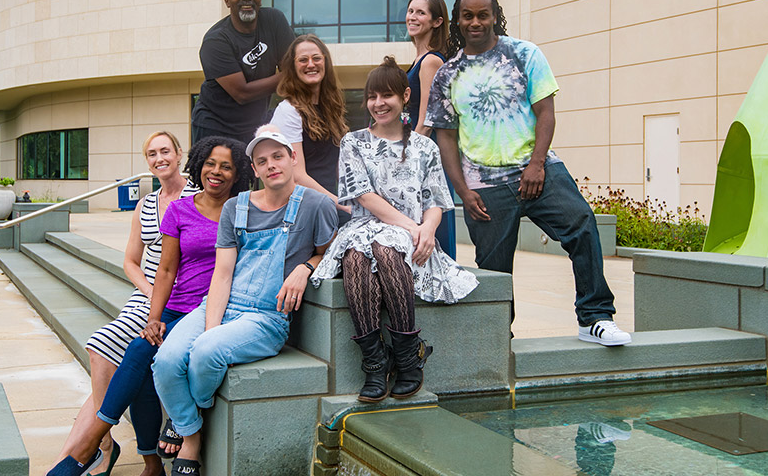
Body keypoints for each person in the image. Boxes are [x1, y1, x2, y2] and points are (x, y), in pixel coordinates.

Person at [425, 0, 631, 346]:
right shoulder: (448, 74)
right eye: (468, 16)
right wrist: (462, 191)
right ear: (458, 20)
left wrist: (537, 165)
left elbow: (546, 112)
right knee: (494, 270)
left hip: (540, 172)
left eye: (482, 15)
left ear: (495, 16)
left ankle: (594, 318)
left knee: (582, 226)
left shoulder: (524, 53)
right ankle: (497, 338)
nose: (475, 22)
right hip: (484, 186)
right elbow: (445, 137)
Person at [48, 137, 253, 476]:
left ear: (237, 173)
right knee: (141, 358)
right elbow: (166, 269)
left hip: (209, 311)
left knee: (141, 355)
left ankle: (92, 445)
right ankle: (148, 460)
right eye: (210, 163)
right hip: (174, 308)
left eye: (226, 166)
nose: (216, 171)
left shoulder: (241, 209)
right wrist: (154, 317)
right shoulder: (180, 210)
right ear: (199, 164)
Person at [151, 126, 337, 475]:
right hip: (220, 304)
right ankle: (192, 425)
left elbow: (331, 252)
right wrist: (210, 327)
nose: (271, 166)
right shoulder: (236, 207)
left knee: (206, 353)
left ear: (293, 158)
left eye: (278, 156)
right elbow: (222, 274)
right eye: (261, 161)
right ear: (254, 169)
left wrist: (306, 266)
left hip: (266, 318)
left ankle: (188, 436)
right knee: (166, 361)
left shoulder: (317, 205)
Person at [314, 57, 478, 403]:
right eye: (372, 96)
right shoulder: (353, 142)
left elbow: (435, 198)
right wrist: (411, 226)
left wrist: (428, 230)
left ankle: (407, 357)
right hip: (368, 225)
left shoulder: (424, 146)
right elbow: (363, 194)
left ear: (405, 95)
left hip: (411, 232)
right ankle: (375, 362)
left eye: (387, 95)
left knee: (386, 251)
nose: (378, 103)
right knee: (357, 257)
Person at [191, 0, 296, 145]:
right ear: (227, 1)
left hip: (255, 126)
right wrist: (289, 75)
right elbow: (242, 92)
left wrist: (292, 74)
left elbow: (292, 67)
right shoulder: (215, 40)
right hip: (215, 125)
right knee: (217, 173)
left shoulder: (274, 20)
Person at [270, 34, 350, 216]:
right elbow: (297, 176)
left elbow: (340, 167)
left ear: (325, 62)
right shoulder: (288, 111)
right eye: (303, 60)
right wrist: (342, 205)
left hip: (329, 204)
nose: (311, 64)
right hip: (301, 210)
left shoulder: (331, 109)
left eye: (316, 58)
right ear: (293, 67)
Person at [404, 0, 457, 258]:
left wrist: (406, 157)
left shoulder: (431, 61)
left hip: (426, 155)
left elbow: (427, 119)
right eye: (410, 11)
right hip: (418, 150)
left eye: (420, 12)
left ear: (437, 22)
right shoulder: (417, 59)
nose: (412, 17)